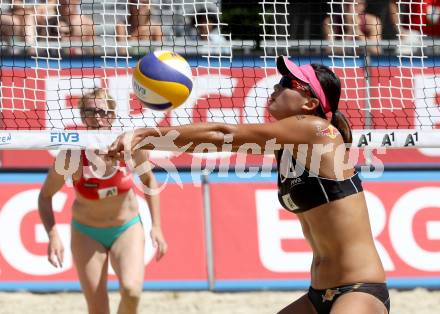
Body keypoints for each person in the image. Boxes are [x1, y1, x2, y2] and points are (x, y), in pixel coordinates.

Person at [108, 56, 390, 314]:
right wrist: (146, 140)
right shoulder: (286, 146)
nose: (276, 87)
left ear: (310, 103)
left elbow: (223, 133)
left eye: (287, 83)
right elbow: (211, 143)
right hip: (318, 295)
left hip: (359, 290)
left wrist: (144, 134)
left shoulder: (316, 131)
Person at [38, 88, 167, 314]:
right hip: (87, 233)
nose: (97, 117)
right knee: (98, 310)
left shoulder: (129, 147)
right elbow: (45, 196)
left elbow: (149, 180)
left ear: (112, 115)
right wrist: (52, 235)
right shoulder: (72, 155)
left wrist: (156, 226)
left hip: (125, 228)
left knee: (132, 291)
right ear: (82, 117)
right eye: (90, 111)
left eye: (102, 111)